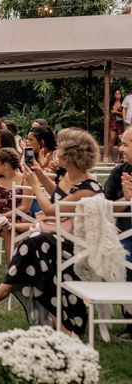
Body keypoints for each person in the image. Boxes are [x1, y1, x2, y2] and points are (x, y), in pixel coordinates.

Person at [0, 128, 102, 336]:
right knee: (36, 245)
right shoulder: (69, 177)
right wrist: (40, 175)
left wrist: (35, 185)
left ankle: (4, 290)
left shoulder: (88, 187)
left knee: (34, 243)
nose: (57, 155)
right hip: (61, 237)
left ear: (70, 156)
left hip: (78, 247)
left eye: (61, 151)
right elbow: (59, 195)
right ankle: (59, 323)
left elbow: (52, 209)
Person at [103, 125, 132, 340]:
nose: (120, 148)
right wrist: (127, 200)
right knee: (126, 253)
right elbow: (104, 206)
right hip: (121, 234)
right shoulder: (120, 172)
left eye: (125, 144)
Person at [0, 148, 32, 261]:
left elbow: (25, 206)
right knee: (9, 231)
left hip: (19, 216)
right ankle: (12, 271)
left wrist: (7, 215)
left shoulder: (25, 179)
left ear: (5, 165)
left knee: (31, 230)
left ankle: (19, 269)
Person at [107, 89, 124, 162]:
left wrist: (116, 112)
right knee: (112, 138)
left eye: (119, 93)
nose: (118, 95)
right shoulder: (111, 103)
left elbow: (124, 112)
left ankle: (119, 157)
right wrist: (113, 112)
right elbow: (108, 113)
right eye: (117, 94)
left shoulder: (123, 102)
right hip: (112, 121)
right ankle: (108, 156)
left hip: (120, 122)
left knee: (120, 139)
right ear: (114, 95)